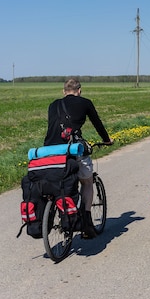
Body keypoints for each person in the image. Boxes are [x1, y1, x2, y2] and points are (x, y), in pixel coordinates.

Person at [44, 78, 114, 239]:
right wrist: (106, 140)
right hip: (73, 149)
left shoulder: (53, 105)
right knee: (87, 181)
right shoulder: (85, 102)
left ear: (63, 92)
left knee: (60, 182)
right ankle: (86, 223)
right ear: (79, 91)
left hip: (51, 151)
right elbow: (97, 123)